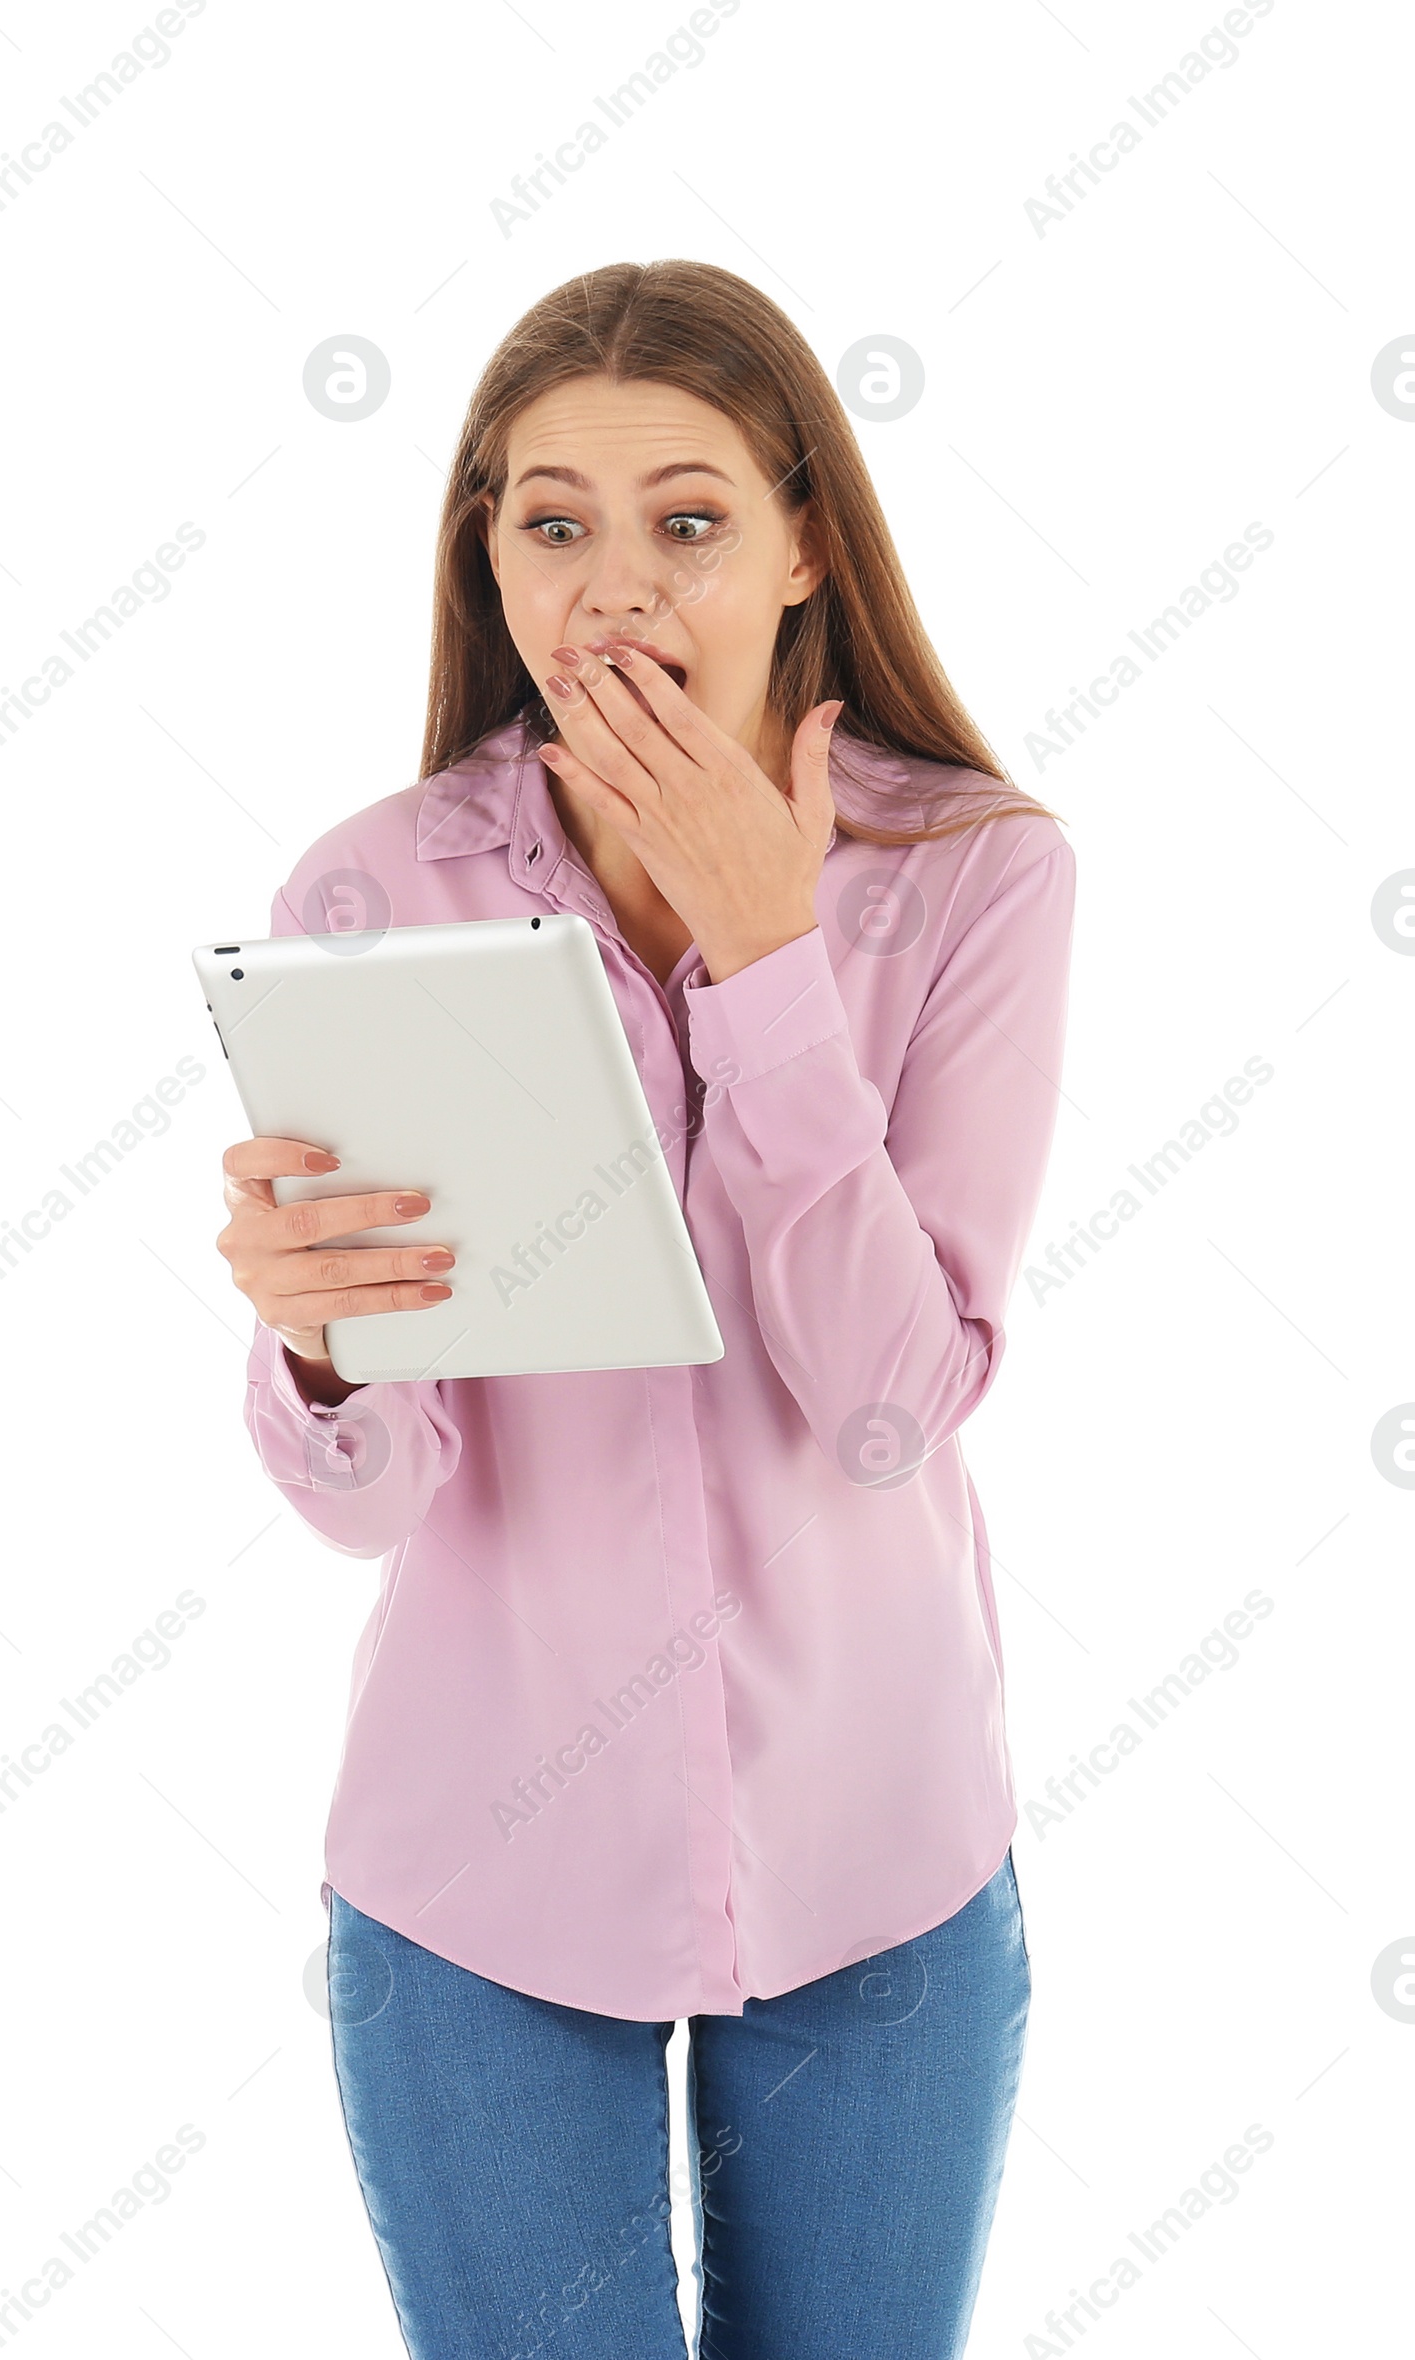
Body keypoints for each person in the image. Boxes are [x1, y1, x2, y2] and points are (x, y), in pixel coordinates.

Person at [212, 259, 1076, 2359]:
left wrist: (766, 966)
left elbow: (892, 1402)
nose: (615, 588)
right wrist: (320, 1337)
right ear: (486, 561)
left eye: (686, 520)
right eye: (551, 523)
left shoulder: (974, 878)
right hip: (478, 1888)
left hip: (879, 1867)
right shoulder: (372, 888)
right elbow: (366, 1496)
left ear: (798, 544)